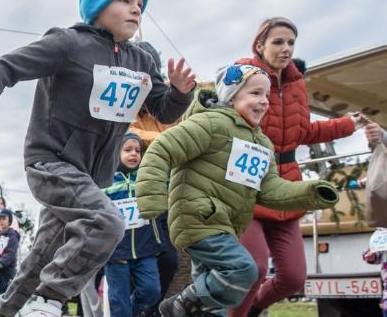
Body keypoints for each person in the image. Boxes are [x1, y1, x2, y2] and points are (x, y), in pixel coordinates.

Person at [0, 0, 195, 317]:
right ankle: (49, 301)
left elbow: (162, 111)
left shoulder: (141, 60)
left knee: (38, 259)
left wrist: (179, 93)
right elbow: (5, 66)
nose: (136, 10)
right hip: (50, 162)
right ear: (97, 4)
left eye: (141, 4)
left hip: (91, 177)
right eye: (125, 0)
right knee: (108, 221)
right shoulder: (68, 44)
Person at [135, 64, 341, 316]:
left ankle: (191, 307)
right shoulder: (212, 123)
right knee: (243, 269)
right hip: (198, 219)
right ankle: (178, 304)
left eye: (266, 95)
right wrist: (152, 198)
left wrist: (310, 192)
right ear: (231, 96)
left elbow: (269, 190)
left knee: (214, 306)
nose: (264, 101)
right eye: (255, 93)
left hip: (225, 226)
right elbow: (162, 149)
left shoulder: (262, 143)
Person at [230, 18, 364, 317]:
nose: (286, 48)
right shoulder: (241, 76)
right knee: (254, 268)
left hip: (288, 186)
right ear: (260, 45)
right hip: (247, 182)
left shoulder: (297, 84)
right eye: (278, 42)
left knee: (293, 277)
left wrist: (346, 124)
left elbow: (303, 132)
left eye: (291, 42)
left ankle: (253, 310)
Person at [127, 41, 180, 317]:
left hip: (170, 194)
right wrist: (171, 139)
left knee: (170, 260)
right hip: (135, 197)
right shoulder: (125, 106)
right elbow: (129, 135)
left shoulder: (170, 106)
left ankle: (147, 312)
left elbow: (187, 130)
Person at [102, 133, 161, 317]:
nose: (133, 154)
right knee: (118, 300)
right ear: (116, 153)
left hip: (145, 247)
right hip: (116, 249)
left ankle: (134, 312)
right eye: (127, 150)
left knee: (152, 291)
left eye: (138, 150)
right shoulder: (106, 180)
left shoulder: (146, 179)